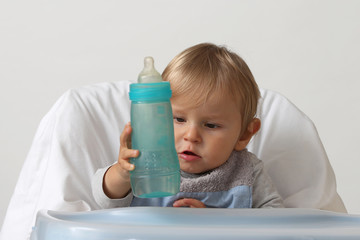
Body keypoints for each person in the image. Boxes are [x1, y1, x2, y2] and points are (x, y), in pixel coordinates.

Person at [92, 43, 284, 208]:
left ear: (244, 134)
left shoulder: (246, 172)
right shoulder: (146, 160)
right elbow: (106, 202)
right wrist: (122, 173)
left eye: (210, 125)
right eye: (179, 119)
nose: (191, 135)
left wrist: (213, 222)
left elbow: (274, 220)